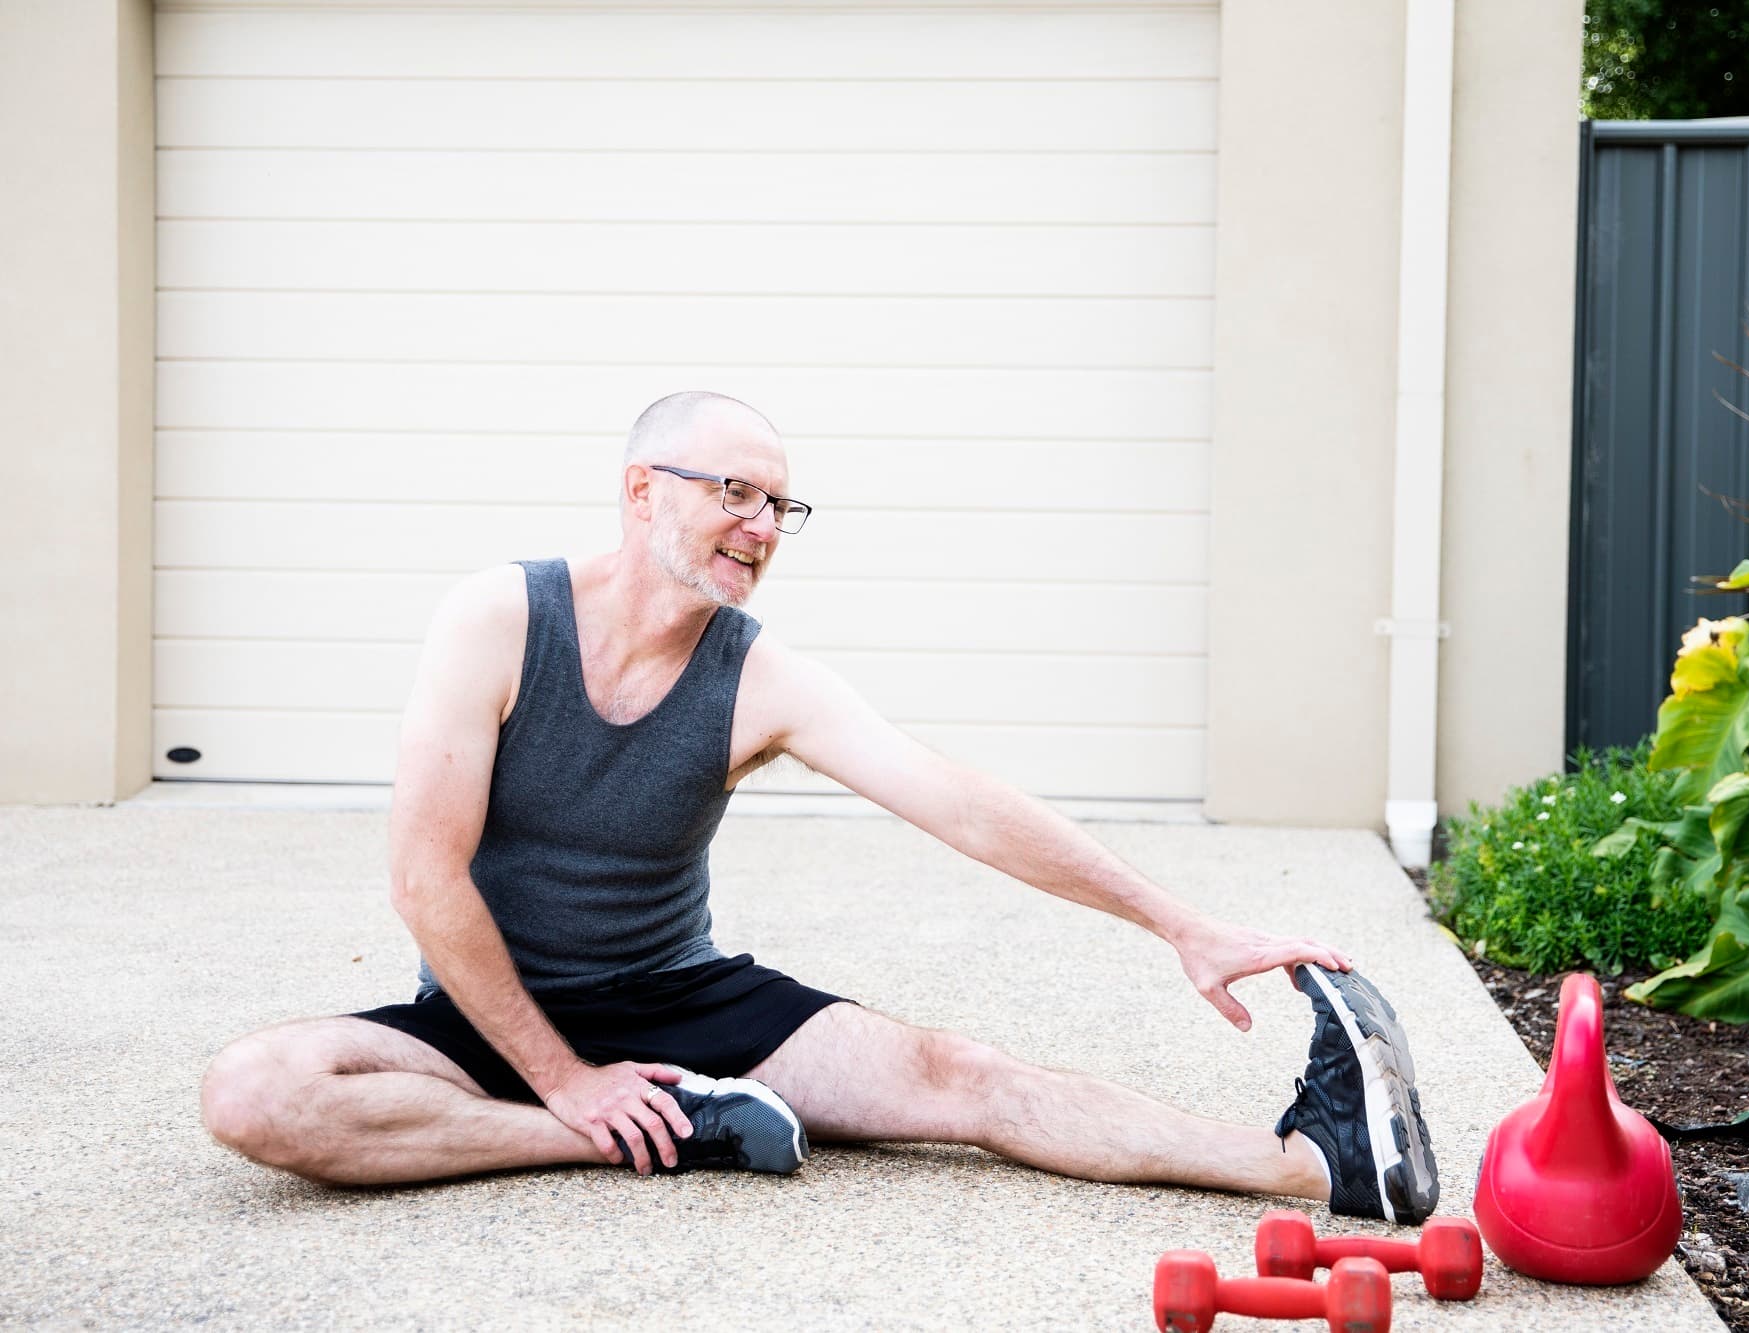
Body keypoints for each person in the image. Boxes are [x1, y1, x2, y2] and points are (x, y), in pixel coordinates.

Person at [199, 391, 1439, 1225]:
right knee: (255, 1094)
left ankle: (1316, 1164)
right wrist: (571, 1086)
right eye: (733, 493)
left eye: (778, 507)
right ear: (641, 489)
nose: (761, 527)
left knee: (961, 1077)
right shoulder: (497, 620)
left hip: (678, 1001)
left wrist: (1180, 924)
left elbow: (957, 803)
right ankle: (657, 1128)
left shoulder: (758, 679)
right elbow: (424, 879)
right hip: (485, 1008)